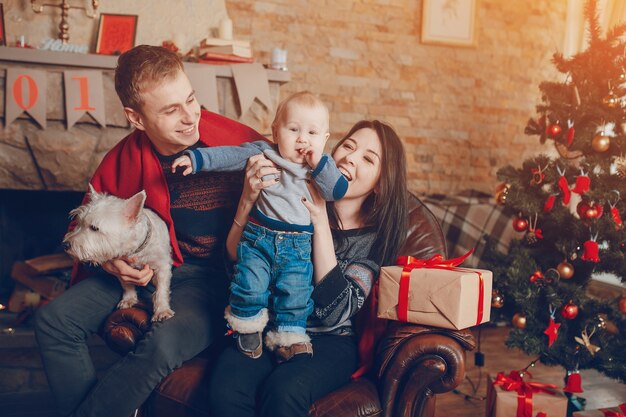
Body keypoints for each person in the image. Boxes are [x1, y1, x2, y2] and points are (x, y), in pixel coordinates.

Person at [34, 45, 265, 417]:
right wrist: (109, 265)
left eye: (191, 100)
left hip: (214, 280)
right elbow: (82, 227)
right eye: (171, 110)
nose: (191, 117)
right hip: (142, 269)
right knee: (53, 322)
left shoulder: (238, 141)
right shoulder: (121, 159)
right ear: (136, 118)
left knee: (163, 343)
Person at [209, 119, 409, 417]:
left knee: (284, 391)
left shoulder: (373, 241)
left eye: (368, 158)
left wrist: (318, 219)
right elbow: (236, 267)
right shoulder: (287, 195)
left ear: (380, 183)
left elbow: (335, 311)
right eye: (348, 146)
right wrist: (247, 201)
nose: (350, 158)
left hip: (330, 341)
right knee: (225, 391)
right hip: (268, 327)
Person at [171, 91, 348, 361]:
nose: (302, 139)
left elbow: (337, 191)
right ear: (276, 132)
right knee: (249, 283)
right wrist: (196, 160)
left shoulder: (321, 169)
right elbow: (229, 156)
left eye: (312, 133)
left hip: (298, 246)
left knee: (296, 292)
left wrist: (320, 162)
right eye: (293, 129)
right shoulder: (264, 152)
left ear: (324, 139)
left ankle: (289, 338)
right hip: (258, 238)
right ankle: (247, 326)